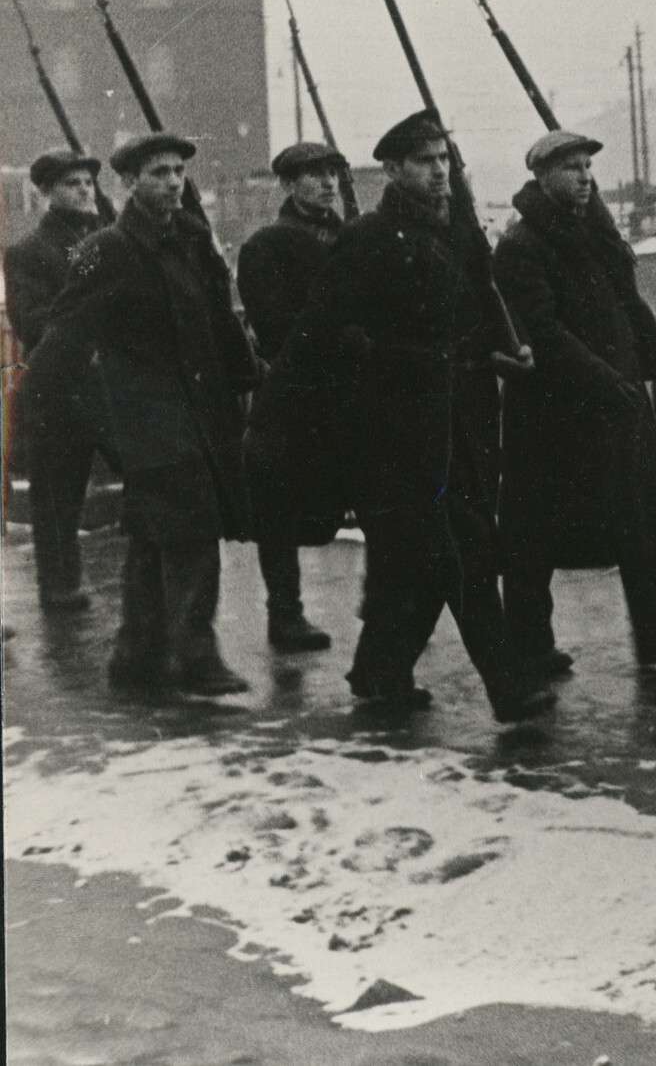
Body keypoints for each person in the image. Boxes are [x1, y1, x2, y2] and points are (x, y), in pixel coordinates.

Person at [253, 111, 553, 723]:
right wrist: (398, 362)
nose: (439, 171)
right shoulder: (370, 238)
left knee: (414, 562)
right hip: (396, 429)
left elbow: (478, 305)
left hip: (461, 420)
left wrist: (506, 347)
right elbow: (322, 330)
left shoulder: (458, 230)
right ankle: (508, 687)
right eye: (424, 161)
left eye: (444, 159)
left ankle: (379, 671)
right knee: (462, 552)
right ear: (392, 170)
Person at [34, 133, 255, 694]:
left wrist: (247, 377)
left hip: (199, 407)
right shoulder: (106, 248)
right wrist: (47, 398)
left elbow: (219, 315)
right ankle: (196, 656)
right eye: (159, 173)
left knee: (156, 531)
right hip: (146, 414)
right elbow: (65, 329)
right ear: (130, 182)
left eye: (179, 171)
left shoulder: (191, 235)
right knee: (193, 526)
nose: (174, 182)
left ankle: (136, 657)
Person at [494, 130, 656, 677]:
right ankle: (529, 645)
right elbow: (542, 330)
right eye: (571, 168)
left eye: (587, 167)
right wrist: (608, 380)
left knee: (640, 526)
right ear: (541, 176)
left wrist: (651, 352)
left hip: (612, 400)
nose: (584, 177)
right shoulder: (521, 244)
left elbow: (624, 298)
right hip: (554, 410)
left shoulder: (594, 231)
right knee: (534, 542)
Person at [236, 141, 351, 652]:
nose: (327, 183)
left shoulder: (354, 238)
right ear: (287, 185)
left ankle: (387, 600)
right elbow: (277, 328)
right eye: (314, 175)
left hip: (354, 394)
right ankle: (285, 614)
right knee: (280, 510)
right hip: (296, 397)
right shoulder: (266, 247)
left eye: (332, 173)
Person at [6, 148, 109, 611]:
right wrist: (90, 336)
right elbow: (31, 321)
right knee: (56, 496)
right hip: (60, 389)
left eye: (88, 182)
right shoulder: (28, 252)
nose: (85, 190)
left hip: (111, 384)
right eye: (73, 184)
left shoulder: (110, 239)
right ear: (47, 191)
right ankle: (58, 585)